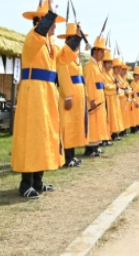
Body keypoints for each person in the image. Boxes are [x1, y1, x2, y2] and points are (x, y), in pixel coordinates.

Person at [12, 0, 64, 198]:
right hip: (33, 93)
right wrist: (50, 12)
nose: (54, 25)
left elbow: (69, 55)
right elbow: (39, 33)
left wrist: (77, 35)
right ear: (41, 21)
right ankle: (26, 184)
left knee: (44, 135)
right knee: (31, 135)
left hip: (47, 92)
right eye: (52, 21)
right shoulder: (33, 38)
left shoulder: (51, 45)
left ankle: (39, 180)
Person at [55, 20, 89, 168]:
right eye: (75, 39)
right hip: (68, 96)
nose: (78, 43)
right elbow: (62, 75)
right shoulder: (64, 55)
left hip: (78, 96)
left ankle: (73, 155)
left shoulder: (76, 57)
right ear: (68, 40)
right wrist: (67, 95)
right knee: (67, 126)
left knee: (75, 126)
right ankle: (67, 157)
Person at [84, 34, 110, 157]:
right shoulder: (89, 67)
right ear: (96, 52)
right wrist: (92, 99)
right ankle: (89, 148)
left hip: (99, 97)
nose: (103, 54)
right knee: (92, 124)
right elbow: (89, 84)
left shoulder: (97, 66)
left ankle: (96, 145)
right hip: (93, 98)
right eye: (102, 51)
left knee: (98, 123)